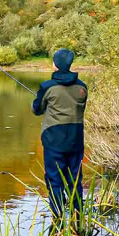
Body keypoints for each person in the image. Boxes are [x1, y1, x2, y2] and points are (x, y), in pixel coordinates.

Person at [32, 48, 88, 219]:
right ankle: (77, 215)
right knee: (74, 179)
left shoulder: (47, 87)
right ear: (70, 64)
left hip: (53, 139)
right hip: (75, 139)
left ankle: (57, 216)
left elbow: (37, 109)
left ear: (55, 65)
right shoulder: (82, 87)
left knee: (55, 179)